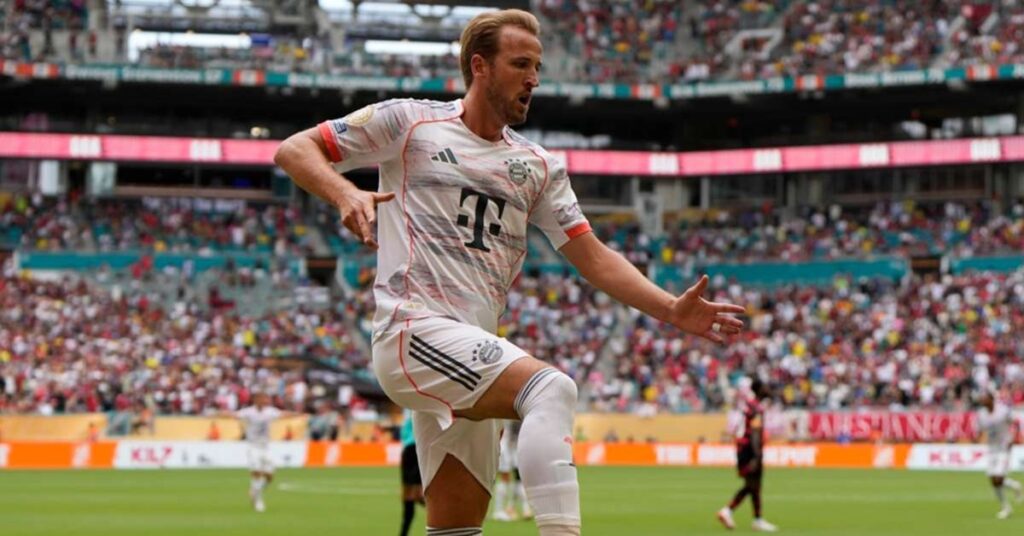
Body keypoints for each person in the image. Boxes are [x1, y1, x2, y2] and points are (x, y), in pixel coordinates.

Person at [274, 9, 746, 535]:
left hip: (468, 353)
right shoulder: (410, 123)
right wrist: (344, 192)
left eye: (537, 67)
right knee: (550, 389)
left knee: (456, 529)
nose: (534, 79)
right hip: (412, 332)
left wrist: (668, 308)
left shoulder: (537, 166)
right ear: (480, 66)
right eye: (521, 64)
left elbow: (591, 255)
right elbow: (295, 149)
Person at [717, 378, 778, 532]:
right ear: (759, 390)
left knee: (754, 486)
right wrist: (757, 457)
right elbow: (755, 434)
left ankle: (756, 519)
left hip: (744, 449)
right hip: (749, 451)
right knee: (752, 485)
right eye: (765, 387)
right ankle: (728, 510)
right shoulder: (756, 409)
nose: (767, 389)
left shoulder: (749, 406)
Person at [230, 392, 295, 513]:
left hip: (266, 447)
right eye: (263, 398)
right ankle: (258, 500)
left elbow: (283, 414)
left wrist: (298, 414)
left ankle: (255, 491)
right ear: (256, 400)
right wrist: (217, 414)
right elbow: (234, 415)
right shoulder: (248, 412)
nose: (265, 400)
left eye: (266, 398)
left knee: (270, 476)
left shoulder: (270, 411)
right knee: (257, 472)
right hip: (253, 446)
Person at [976, 391, 1022, 519]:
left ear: (991, 400)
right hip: (992, 448)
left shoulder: (1003, 411)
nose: (982, 401)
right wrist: (977, 437)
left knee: (998, 477)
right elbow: (979, 430)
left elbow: (1016, 423)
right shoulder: (981, 414)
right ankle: (1014, 486)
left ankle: (1006, 508)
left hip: (1004, 447)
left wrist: (1014, 438)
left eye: (984, 398)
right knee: (993, 480)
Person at [492, 420, 531, 521]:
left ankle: (510, 508)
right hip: (506, 446)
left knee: (512, 477)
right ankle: (499, 510)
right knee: (507, 477)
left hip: (505, 445)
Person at [400, 409, 425, 536]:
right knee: (407, 494)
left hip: (417, 450)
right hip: (409, 451)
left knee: (416, 494)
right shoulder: (409, 406)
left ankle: (445, 516)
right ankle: (403, 533)